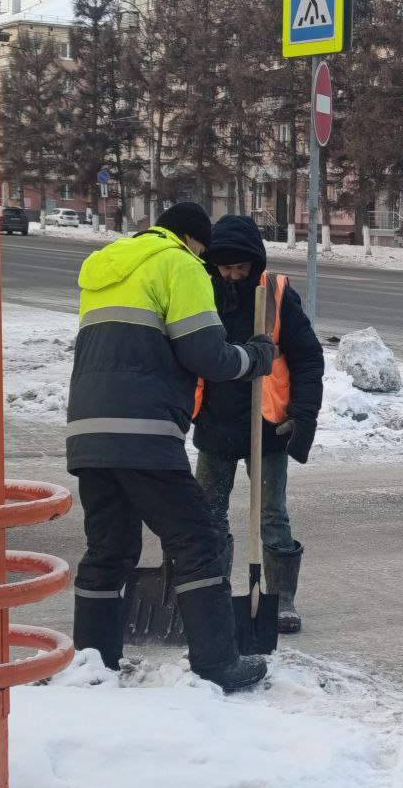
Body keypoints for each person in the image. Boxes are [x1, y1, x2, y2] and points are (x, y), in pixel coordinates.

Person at [66, 202, 278, 693]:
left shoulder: (107, 268)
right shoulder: (179, 263)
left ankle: (92, 664)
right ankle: (217, 663)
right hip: (143, 429)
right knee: (197, 538)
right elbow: (207, 354)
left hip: (88, 430)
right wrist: (257, 355)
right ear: (194, 240)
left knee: (109, 549)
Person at [192, 215, 324, 634]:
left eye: (240, 268)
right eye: (224, 268)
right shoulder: (202, 291)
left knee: (271, 515)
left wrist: (304, 415)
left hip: (265, 426)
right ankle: (209, 594)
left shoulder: (277, 294)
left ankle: (280, 598)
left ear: (255, 262)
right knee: (207, 515)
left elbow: (307, 359)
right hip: (214, 424)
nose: (232, 275)